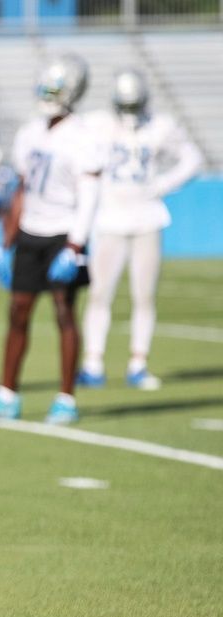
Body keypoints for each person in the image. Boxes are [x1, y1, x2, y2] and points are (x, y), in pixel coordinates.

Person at [0, 54, 103, 426]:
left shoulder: (83, 137)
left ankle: (66, 398)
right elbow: (22, 189)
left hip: (63, 234)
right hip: (31, 233)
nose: (47, 93)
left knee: (63, 312)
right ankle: (6, 394)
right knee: (17, 312)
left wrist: (75, 246)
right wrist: (5, 241)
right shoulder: (30, 132)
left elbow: (89, 194)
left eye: (55, 87)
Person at [78, 68, 203, 391]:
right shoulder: (96, 124)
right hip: (108, 220)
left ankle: (138, 362)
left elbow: (191, 159)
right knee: (99, 293)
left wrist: (161, 184)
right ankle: (93, 362)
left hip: (147, 217)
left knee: (143, 295)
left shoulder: (160, 125)